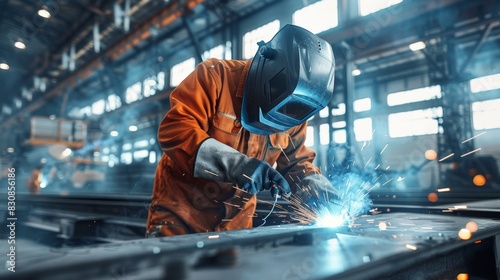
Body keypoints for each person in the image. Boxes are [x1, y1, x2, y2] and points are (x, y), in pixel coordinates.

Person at [146, 24, 338, 237]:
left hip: (235, 226)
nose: (278, 125)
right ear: (268, 71)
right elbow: (175, 129)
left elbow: (295, 163)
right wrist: (237, 166)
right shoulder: (215, 77)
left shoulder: (294, 109)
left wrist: (315, 187)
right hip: (181, 217)